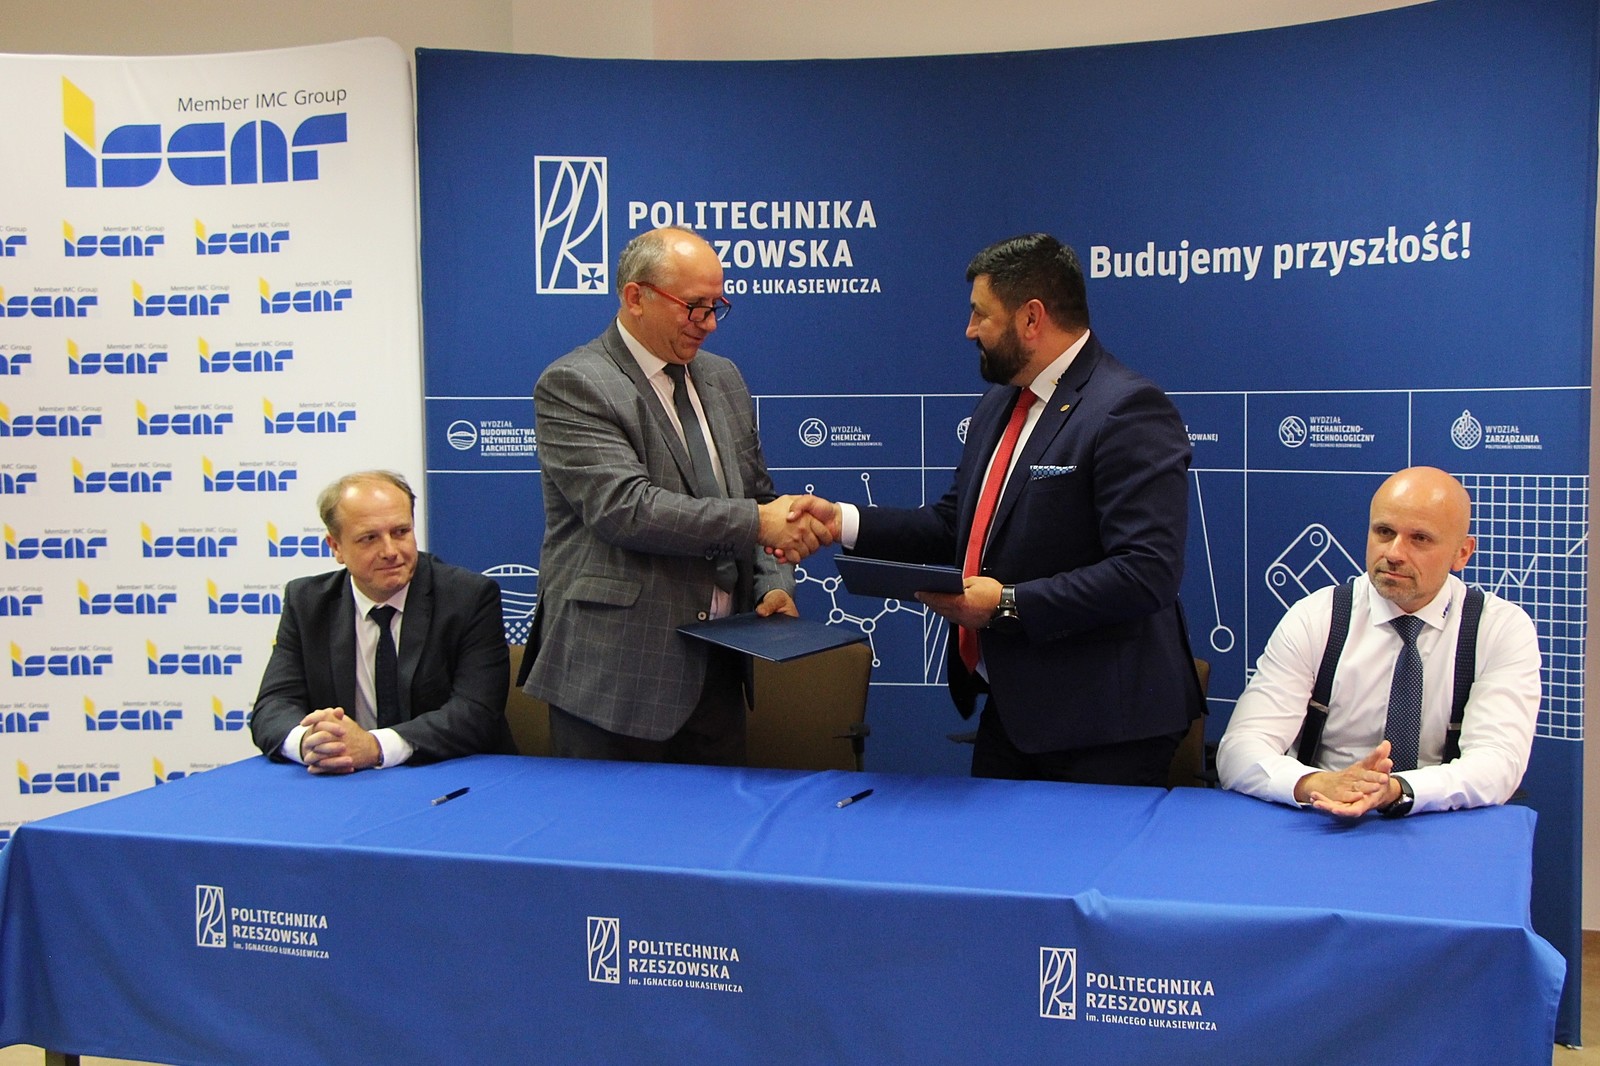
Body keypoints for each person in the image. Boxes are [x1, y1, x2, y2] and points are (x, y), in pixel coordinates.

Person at [794, 232, 1203, 785]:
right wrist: (842, 521)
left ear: (1031, 318)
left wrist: (1007, 604)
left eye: (980, 314)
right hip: (1017, 709)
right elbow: (955, 526)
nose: (970, 330)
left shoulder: (1126, 409)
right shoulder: (1001, 403)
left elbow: (1146, 572)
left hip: (1107, 725)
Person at [524, 226, 832, 765]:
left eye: (717, 307)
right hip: (616, 679)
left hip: (720, 666)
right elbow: (627, 510)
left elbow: (758, 497)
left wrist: (773, 583)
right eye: (694, 306)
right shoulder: (576, 382)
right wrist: (760, 524)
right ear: (635, 297)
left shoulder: (723, 378)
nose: (709, 324)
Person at [1218, 467, 1541, 817]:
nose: (1395, 553)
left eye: (1420, 539)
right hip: (1323, 819)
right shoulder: (1316, 617)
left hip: (1439, 820)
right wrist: (1315, 783)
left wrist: (1397, 790)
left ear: (1462, 553)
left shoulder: (1499, 629)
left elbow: (1497, 762)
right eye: (1384, 532)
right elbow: (1240, 749)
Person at [250, 470, 513, 772]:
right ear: (335, 547)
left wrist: (375, 747)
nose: (390, 551)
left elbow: (476, 713)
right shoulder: (307, 603)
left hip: (451, 774)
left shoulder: (468, 597)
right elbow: (272, 707)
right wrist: (310, 742)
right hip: (347, 781)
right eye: (369, 538)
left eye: (401, 532)